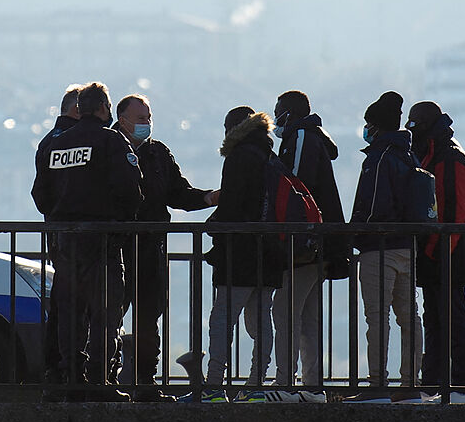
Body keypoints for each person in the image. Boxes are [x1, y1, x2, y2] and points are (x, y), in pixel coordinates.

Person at [30, 81, 142, 400]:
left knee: (69, 313)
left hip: (65, 242)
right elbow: (130, 190)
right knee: (105, 313)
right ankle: (99, 383)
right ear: (104, 108)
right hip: (103, 240)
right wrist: (119, 222)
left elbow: (40, 196)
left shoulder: (54, 145)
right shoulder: (111, 141)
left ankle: (71, 380)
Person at [112, 93, 217, 397]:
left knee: (149, 318)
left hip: (151, 248)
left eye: (149, 117)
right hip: (116, 248)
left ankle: (145, 382)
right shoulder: (110, 147)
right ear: (123, 119)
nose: (147, 124)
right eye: (141, 118)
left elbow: (178, 193)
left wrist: (208, 198)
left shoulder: (158, 153)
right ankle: (105, 377)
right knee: (110, 316)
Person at [202, 106, 287, 402]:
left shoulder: (239, 157)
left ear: (231, 129)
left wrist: (212, 227)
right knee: (261, 320)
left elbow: (232, 206)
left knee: (222, 320)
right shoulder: (271, 157)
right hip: (270, 253)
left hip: (239, 253)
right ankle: (256, 384)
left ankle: (213, 384)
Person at [269, 90, 347, 403]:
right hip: (321, 244)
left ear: (288, 113)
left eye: (278, 112)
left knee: (285, 312)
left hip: (304, 244)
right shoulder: (312, 136)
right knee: (309, 316)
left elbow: (295, 188)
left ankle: (286, 383)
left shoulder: (300, 136)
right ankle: (313, 386)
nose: (275, 120)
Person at [348, 91, 427, 403]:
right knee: (410, 318)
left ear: (376, 126)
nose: (366, 130)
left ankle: (377, 386)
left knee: (377, 317)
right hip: (408, 248)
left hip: (378, 248)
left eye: (368, 124)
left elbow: (373, 208)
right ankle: (410, 385)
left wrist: (353, 234)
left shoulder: (379, 158)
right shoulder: (410, 156)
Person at [407, 101, 465, 403]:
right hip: (443, 256)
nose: (410, 129)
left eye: (414, 123)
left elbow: (452, 215)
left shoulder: (448, 159)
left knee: (452, 321)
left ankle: (461, 386)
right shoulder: (438, 154)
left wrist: (436, 254)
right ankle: (435, 385)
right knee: (437, 322)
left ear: (424, 125)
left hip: (449, 257)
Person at [31, 84, 83, 384]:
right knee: (77, 305)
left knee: (62, 300)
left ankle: (56, 368)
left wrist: (54, 216)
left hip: (58, 232)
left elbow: (40, 193)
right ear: (78, 109)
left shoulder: (48, 142)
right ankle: (72, 369)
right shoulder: (81, 142)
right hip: (79, 235)